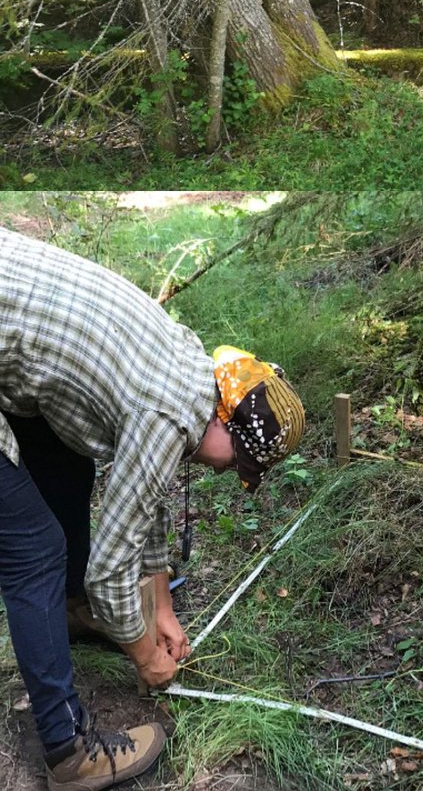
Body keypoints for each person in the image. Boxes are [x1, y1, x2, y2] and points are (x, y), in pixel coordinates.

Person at [0, 226, 306, 791]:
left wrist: (159, 610)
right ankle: (68, 751)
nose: (230, 473)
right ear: (224, 420)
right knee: (33, 551)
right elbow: (111, 570)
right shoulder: (166, 417)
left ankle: (70, 610)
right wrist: (146, 657)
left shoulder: (190, 368)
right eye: (240, 462)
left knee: (68, 462)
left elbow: (151, 493)